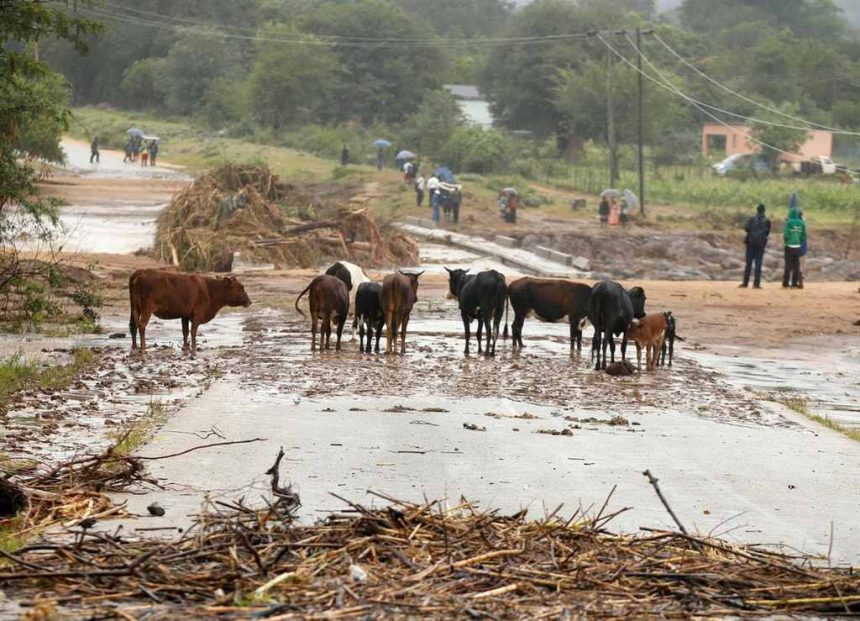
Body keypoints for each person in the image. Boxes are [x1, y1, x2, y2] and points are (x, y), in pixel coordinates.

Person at [740, 203, 771, 289]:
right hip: (760, 244)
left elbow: (746, 228)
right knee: (758, 264)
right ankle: (756, 284)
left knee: (748, 263)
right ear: (764, 211)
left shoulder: (751, 219)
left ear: (757, 210)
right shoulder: (767, 221)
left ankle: (745, 283)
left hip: (750, 243)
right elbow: (767, 232)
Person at [782, 206, 807, 289]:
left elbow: (786, 235)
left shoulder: (788, 222)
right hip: (797, 246)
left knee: (788, 266)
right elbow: (804, 236)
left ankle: (785, 284)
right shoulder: (802, 223)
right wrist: (799, 241)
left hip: (789, 246)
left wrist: (786, 241)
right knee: (796, 266)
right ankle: (794, 284)